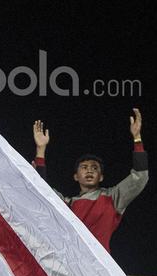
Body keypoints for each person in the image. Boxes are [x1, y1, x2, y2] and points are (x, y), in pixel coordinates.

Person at [32, 108, 147, 252]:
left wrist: (137, 138)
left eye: (94, 168)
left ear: (101, 177)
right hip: (70, 260)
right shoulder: (68, 205)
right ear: (76, 176)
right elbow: (42, 192)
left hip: (98, 263)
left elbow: (140, 176)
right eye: (84, 167)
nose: (90, 170)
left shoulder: (112, 198)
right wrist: (40, 150)